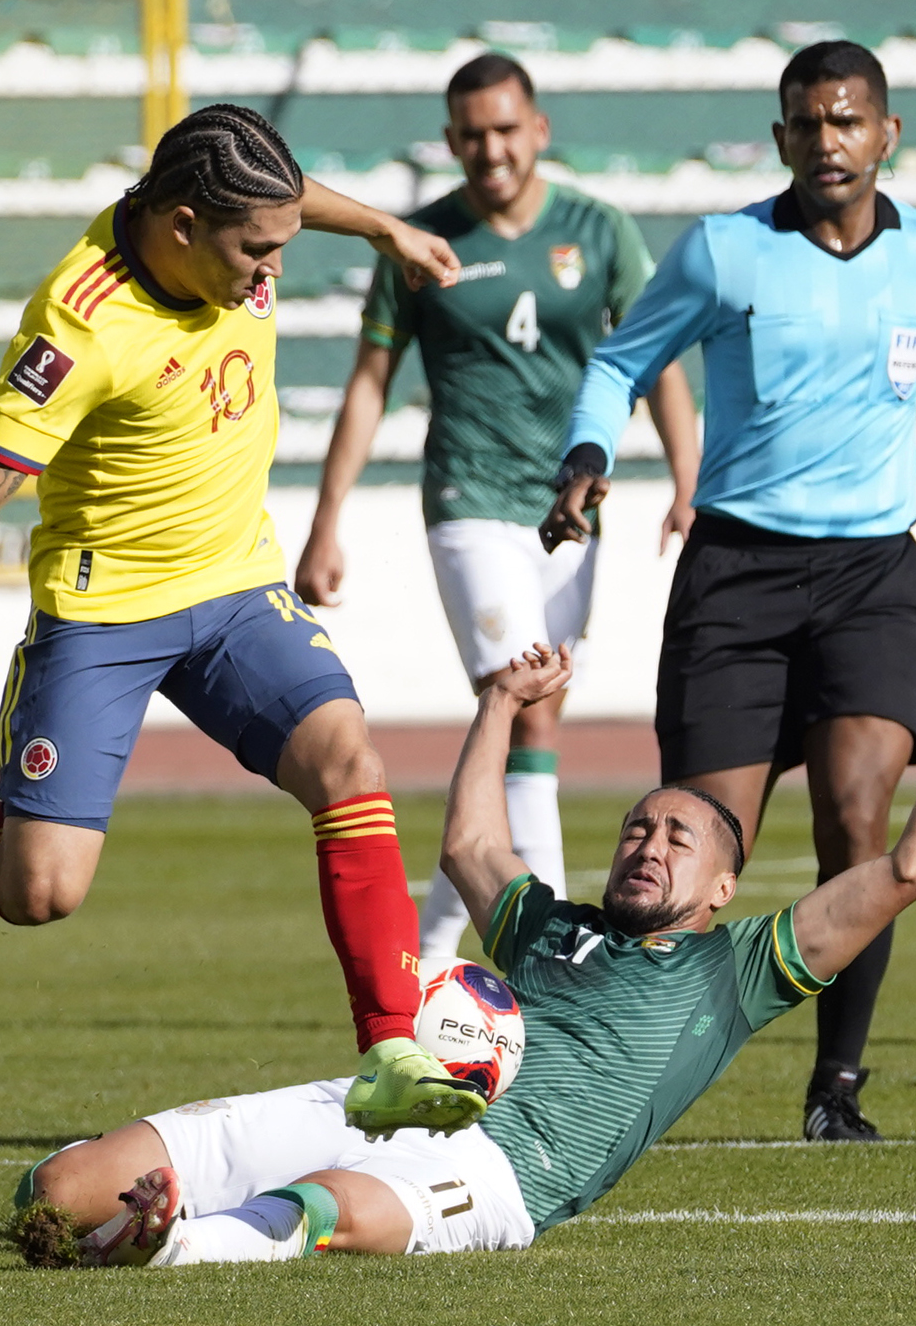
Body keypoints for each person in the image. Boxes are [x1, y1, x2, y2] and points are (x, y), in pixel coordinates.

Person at [11, 589, 916, 1266]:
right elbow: (472, 843)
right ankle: (119, 1206)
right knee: (52, 1195)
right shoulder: (549, 930)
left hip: (503, 1173)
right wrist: (499, 706)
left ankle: (169, 1242)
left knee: (337, 1207)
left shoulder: (734, 970)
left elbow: (911, 865)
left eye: (678, 838)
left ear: (722, 889)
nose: (648, 843)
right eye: (637, 827)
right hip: (392, 1095)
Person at [0, 104, 486, 1138]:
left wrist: (384, 228)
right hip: (104, 612)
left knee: (349, 762)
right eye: (256, 250)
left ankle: (388, 1047)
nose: (271, 269)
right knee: (40, 891)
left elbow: (284, 199)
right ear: (183, 225)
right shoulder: (78, 321)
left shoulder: (242, 222)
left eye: (283, 240)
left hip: (237, 587)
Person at [540, 39, 916, 1142]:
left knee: (859, 816)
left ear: (887, 134)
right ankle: (616, 1074)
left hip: (871, 574)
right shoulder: (724, 250)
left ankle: (834, 1085)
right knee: (696, 849)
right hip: (737, 572)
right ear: (780, 138)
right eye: (806, 123)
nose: (827, 141)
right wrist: (587, 460)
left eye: (848, 121)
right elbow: (617, 364)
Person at [294, 52, 701, 958]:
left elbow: (658, 359)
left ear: (539, 130)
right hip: (467, 497)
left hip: (571, 508)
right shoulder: (421, 240)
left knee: (525, 710)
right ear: (451, 141)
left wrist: (688, 480)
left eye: (507, 129)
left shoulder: (598, 232)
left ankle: (428, 960)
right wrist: (329, 518)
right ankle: (552, 951)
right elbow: (370, 382)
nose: (492, 149)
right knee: (525, 698)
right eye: (472, 134)